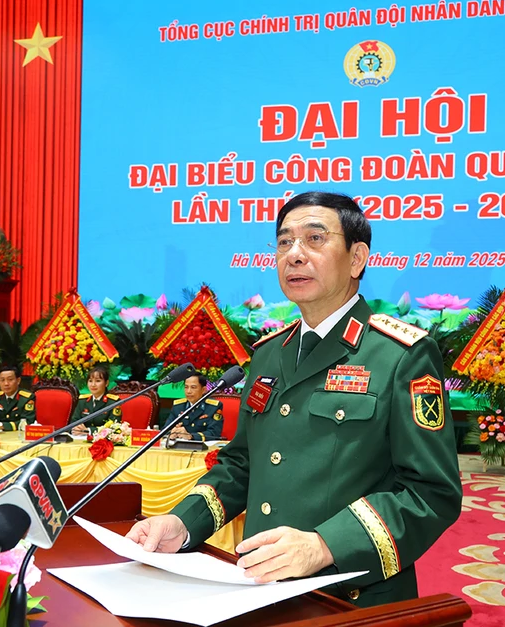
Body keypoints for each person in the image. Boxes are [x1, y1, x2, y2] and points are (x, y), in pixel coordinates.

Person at [128, 191, 462, 607]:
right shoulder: (269, 353)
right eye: (284, 242)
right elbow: (243, 464)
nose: (294, 255)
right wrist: (183, 523)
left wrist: (325, 545)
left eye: (315, 239)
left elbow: (430, 492)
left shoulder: (399, 355)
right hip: (259, 586)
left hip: (348, 598)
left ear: (357, 258)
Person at [163, 374, 224, 441]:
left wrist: (191, 436)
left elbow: (214, 433)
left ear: (203, 390)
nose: (188, 391)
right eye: (186, 387)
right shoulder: (178, 406)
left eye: (193, 387)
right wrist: (172, 432)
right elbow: (164, 430)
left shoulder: (213, 407)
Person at [70, 366, 123, 435]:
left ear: (106, 383)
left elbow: (114, 427)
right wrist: (76, 429)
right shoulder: (82, 401)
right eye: (90, 381)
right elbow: (73, 422)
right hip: (80, 437)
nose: (93, 385)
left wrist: (89, 431)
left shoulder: (113, 402)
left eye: (98, 381)